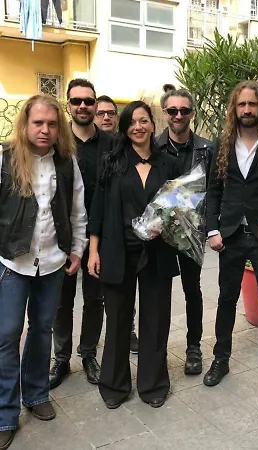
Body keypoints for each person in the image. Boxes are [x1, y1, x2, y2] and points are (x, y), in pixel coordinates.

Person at [0, 94, 87, 450]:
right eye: (38, 123)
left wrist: (77, 249)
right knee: (6, 336)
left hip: (52, 262)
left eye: (52, 124)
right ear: (25, 123)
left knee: (42, 330)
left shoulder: (66, 162)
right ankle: (4, 415)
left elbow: (78, 210)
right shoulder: (5, 158)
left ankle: (36, 394)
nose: (45, 130)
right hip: (12, 263)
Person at [88, 101, 180, 409]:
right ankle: (114, 385)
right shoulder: (111, 162)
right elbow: (98, 208)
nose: (138, 127)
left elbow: (179, 207)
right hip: (117, 250)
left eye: (143, 121)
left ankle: (153, 384)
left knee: (156, 318)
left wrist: (168, 224)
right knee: (118, 319)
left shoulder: (169, 164)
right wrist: (93, 250)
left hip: (157, 251)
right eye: (132, 122)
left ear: (153, 124)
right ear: (125, 128)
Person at [204, 80, 258, 390]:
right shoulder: (223, 142)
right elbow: (214, 190)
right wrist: (212, 229)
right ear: (234, 108)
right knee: (226, 299)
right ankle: (221, 359)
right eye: (241, 104)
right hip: (229, 236)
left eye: (252, 104)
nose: (247, 109)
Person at [50, 79, 114, 389]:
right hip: (62, 236)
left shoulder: (112, 144)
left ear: (95, 104)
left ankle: (88, 354)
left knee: (95, 298)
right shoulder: (56, 143)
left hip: (100, 235)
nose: (83, 106)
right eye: (76, 101)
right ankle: (61, 358)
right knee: (61, 300)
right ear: (68, 105)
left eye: (88, 101)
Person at [156, 86, 214, 375]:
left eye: (184, 110)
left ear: (192, 113)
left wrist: (211, 228)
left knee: (193, 290)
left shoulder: (207, 149)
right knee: (160, 294)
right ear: (164, 112)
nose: (178, 115)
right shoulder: (152, 147)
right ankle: (158, 351)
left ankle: (194, 348)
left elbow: (215, 191)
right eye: (172, 110)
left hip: (193, 233)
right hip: (161, 235)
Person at [93, 95, 139, 354]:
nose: (106, 117)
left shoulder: (126, 147)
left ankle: (127, 330)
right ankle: (86, 348)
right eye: (101, 113)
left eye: (111, 113)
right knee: (91, 297)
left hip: (118, 233)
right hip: (89, 227)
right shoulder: (85, 145)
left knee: (120, 289)